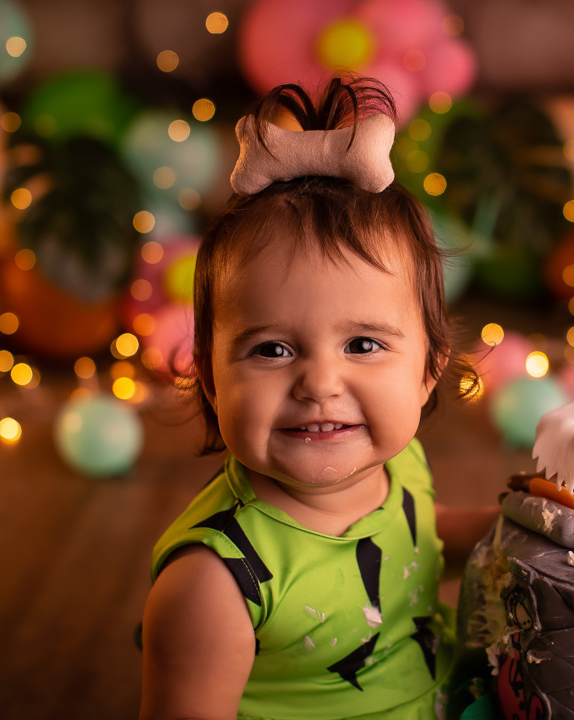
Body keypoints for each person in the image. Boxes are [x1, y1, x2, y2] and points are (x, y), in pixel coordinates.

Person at [139, 77, 498, 720]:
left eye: (363, 345)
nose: (320, 383)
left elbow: (421, 541)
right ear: (212, 379)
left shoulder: (396, 464)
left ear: (427, 371)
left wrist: (512, 529)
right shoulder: (215, 582)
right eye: (271, 350)